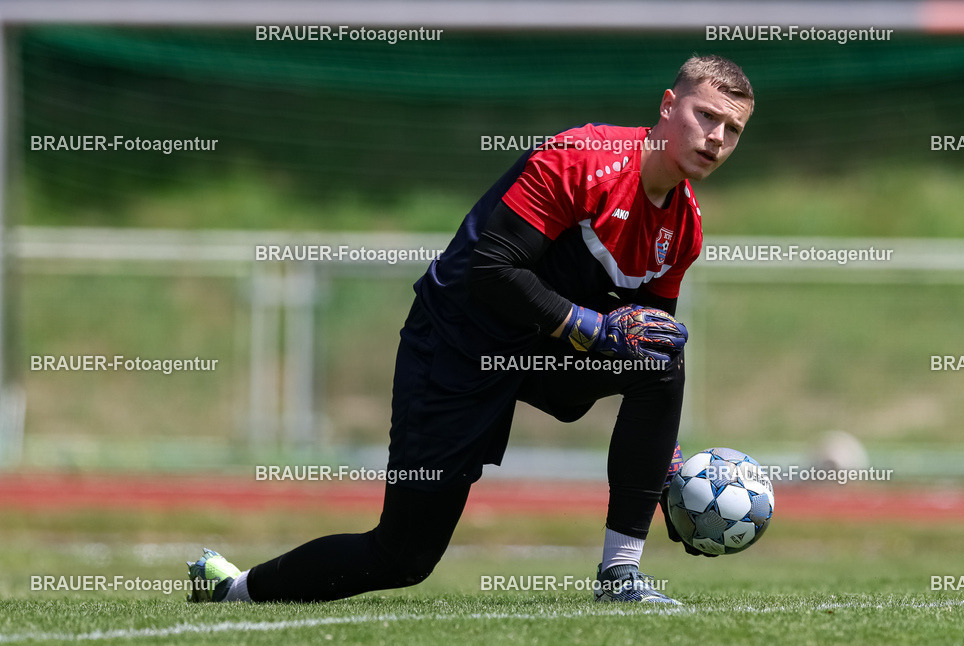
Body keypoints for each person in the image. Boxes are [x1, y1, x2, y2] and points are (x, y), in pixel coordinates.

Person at [188, 54, 754, 604]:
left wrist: (666, 468)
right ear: (666, 105)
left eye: (732, 130)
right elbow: (492, 271)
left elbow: (644, 339)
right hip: (457, 344)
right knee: (402, 558)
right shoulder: (582, 158)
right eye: (705, 116)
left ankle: (621, 573)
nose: (716, 138)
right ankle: (231, 587)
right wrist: (591, 326)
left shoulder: (684, 228)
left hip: (537, 352)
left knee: (661, 358)